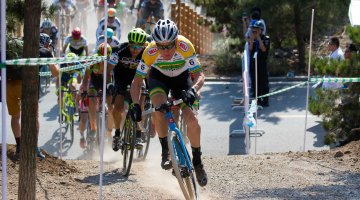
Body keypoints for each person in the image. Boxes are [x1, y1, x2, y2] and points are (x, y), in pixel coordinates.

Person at [129, 19, 208, 186]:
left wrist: (193, 90)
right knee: (159, 109)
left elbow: (200, 74)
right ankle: (165, 151)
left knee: (193, 120)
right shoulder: (149, 52)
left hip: (182, 79)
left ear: (176, 41)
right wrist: (135, 104)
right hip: (159, 78)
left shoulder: (185, 46)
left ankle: (198, 162)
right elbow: (136, 81)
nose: (165, 51)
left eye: (169, 46)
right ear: (155, 44)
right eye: (160, 46)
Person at [6, 35, 59, 159]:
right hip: (27, 86)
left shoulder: (16, 49)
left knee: (15, 116)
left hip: (10, 83)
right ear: (45, 43)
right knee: (34, 116)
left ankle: (19, 145)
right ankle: (33, 147)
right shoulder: (44, 52)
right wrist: (53, 56)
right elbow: (55, 72)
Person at [107, 28, 148, 151]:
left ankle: (139, 132)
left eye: (138, 46)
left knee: (140, 102)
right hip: (121, 78)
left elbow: (150, 73)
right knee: (118, 107)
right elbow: (109, 69)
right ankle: (118, 134)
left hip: (138, 78)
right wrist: (110, 83)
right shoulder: (119, 50)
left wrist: (150, 88)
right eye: (132, 46)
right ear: (128, 43)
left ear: (144, 45)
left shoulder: (146, 53)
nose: (135, 49)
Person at [81, 43, 114, 141]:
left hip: (106, 80)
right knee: (92, 100)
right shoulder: (92, 60)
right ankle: (93, 128)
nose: (102, 61)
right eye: (100, 58)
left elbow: (113, 78)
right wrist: (84, 91)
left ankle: (109, 130)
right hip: (94, 80)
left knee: (111, 107)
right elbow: (86, 77)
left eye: (106, 58)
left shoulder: (112, 62)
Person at [248, 20, 270, 107]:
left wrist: (258, 38)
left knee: (263, 82)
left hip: (262, 62)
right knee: (254, 81)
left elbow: (263, 49)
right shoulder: (252, 38)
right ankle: (256, 100)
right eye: (253, 29)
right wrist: (252, 39)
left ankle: (265, 100)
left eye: (257, 29)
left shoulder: (266, 38)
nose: (255, 31)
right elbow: (250, 49)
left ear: (261, 29)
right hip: (254, 62)